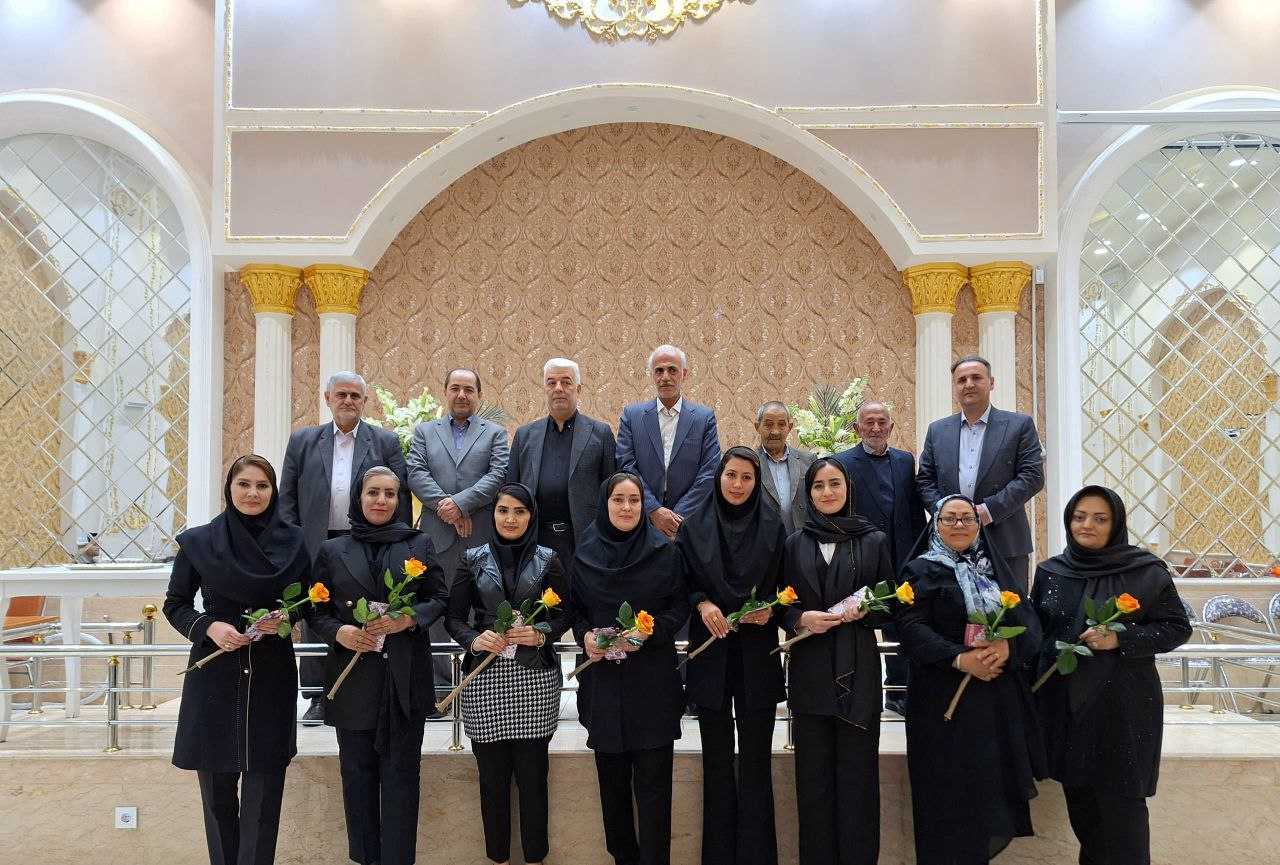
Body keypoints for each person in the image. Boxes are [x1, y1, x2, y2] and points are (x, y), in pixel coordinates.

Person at [163, 455, 311, 865]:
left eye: (262, 485)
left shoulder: (294, 542)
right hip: (215, 673)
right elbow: (175, 604)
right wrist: (209, 626)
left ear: (273, 492)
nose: (252, 493)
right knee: (217, 794)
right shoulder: (198, 542)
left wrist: (285, 618)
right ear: (229, 489)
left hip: (270, 673)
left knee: (265, 791)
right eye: (244, 484)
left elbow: (308, 600)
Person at [1032, 486, 1191, 865]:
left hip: (1124, 710)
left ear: (1116, 523)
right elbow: (1038, 634)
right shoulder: (1052, 571)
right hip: (1069, 710)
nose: (1087, 525)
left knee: (1123, 815)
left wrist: (1121, 638)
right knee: (1083, 808)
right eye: (1079, 517)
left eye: (1100, 519)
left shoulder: (1145, 572)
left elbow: (1176, 628)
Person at [307, 466, 449, 865]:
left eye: (390, 493)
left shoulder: (419, 543)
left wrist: (409, 619)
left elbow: (439, 598)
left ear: (400, 500)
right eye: (373, 492)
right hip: (354, 681)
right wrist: (340, 632)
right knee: (357, 779)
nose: (381, 500)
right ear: (359, 497)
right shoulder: (332, 549)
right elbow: (316, 610)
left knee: (402, 779)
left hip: (404, 680)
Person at [896, 494, 1045, 865]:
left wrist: (1008, 648)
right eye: (949, 518)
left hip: (991, 709)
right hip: (940, 708)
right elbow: (911, 629)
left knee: (984, 801)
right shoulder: (919, 571)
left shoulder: (996, 570)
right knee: (943, 802)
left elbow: (1029, 625)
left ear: (979, 526)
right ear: (936, 525)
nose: (959, 525)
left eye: (967, 518)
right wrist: (961, 659)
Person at [445, 482, 572, 865]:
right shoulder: (472, 558)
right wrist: (474, 639)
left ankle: (535, 858)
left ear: (531, 516)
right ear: (493, 514)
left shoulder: (549, 559)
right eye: (503, 510)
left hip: (534, 680)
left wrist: (541, 633)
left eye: (520, 511)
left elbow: (566, 614)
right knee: (492, 782)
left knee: (533, 780)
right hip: (485, 678)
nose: (511, 519)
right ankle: (497, 858)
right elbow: (453, 617)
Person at [777, 458, 894, 865]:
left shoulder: (873, 540)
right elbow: (780, 605)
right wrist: (800, 619)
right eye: (818, 486)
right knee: (814, 785)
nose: (827, 492)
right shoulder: (794, 544)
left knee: (858, 782)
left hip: (858, 669)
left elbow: (891, 604)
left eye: (835, 484)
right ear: (808, 494)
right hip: (810, 669)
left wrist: (869, 610)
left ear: (848, 488)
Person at [280, 370, 410, 724]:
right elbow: (287, 499)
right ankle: (317, 695)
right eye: (341, 394)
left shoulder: (385, 441)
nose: (348, 401)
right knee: (317, 612)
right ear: (328, 399)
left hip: (366, 541)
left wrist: (399, 546)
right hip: (315, 543)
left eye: (355, 395)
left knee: (364, 611)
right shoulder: (303, 441)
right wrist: (292, 546)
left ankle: (366, 687)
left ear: (365, 401)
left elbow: (400, 499)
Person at [573, 472, 690, 865]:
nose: (626, 508)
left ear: (644, 505)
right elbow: (576, 609)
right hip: (604, 686)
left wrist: (648, 632)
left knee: (655, 790)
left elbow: (679, 608)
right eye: (618, 500)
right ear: (605, 504)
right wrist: (585, 636)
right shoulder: (585, 552)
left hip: (652, 685)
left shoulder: (665, 553)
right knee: (613, 790)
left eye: (634, 501)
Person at [677, 447, 787, 865]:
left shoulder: (773, 527)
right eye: (731, 475)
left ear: (757, 483)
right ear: (718, 477)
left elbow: (786, 589)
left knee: (756, 762)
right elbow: (679, 583)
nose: (737, 485)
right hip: (712, 655)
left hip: (757, 654)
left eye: (746, 477)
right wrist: (702, 602)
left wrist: (771, 609)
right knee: (717, 763)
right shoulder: (694, 527)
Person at [407, 367, 510, 701]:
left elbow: (498, 474)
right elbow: (416, 473)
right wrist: (448, 508)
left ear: (480, 395)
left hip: (480, 535)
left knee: (481, 608)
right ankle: (439, 686)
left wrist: (462, 505)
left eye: (468, 389)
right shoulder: (425, 432)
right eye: (455, 388)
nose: (461, 395)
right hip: (436, 536)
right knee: (435, 606)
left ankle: (478, 684)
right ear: (445, 392)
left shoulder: (495, 433)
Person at [916, 356, 1044, 594]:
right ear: (955, 387)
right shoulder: (937, 430)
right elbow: (925, 480)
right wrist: (947, 515)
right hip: (950, 543)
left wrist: (988, 511)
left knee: (1008, 612)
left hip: (1004, 539)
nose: (969, 384)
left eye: (976, 377)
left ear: (991, 382)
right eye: (961, 380)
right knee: (953, 611)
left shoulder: (1019, 425)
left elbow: (1032, 476)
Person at [832, 401, 926, 715]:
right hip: (861, 558)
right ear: (856, 428)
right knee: (857, 623)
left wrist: (919, 555)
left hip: (902, 556)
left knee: (901, 624)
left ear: (891, 427)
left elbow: (914, 511)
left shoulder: (904, 460)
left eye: (882, 422)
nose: (875, 428)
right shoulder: (842, 462)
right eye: (869, 422)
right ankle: (851, 689)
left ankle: (897, 692)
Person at [506, 358, 617, 584]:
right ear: (544, 388)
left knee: (581, 600)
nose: (558, 388)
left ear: (579, 389)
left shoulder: (601, 433)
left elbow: (611, 493)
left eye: (566, 382)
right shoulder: (524, 435)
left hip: (583, 541)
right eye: (551, 382)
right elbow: (511, 490)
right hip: (535, 540)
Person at [616, 344, 721, 540]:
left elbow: (710, 472)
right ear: (651, 375)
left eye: (672, 370)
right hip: (643, 520)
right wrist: (653, 509)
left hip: (690, 522)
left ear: (684, 374)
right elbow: (626, 466)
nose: (665, 377)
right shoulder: (632, 416)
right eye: (659, 371)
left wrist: (676, 518)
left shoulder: (704, 418)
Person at [752, 401, 816, 534]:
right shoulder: (749, 462)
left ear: (790, 427)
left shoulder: (808, 460)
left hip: (802, 540)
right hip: (763, 541)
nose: (775, 431)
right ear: (757, 427)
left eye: (781, 425)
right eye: (768, 425)